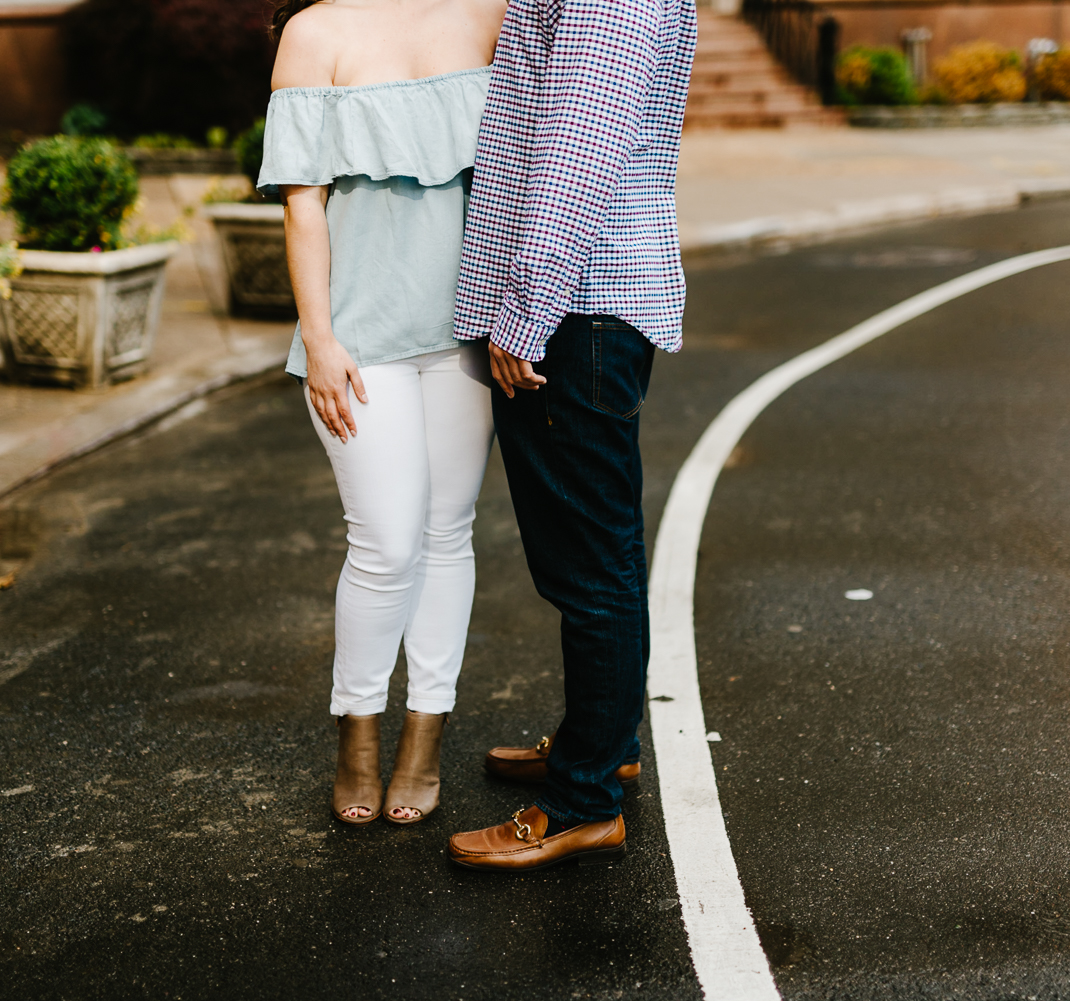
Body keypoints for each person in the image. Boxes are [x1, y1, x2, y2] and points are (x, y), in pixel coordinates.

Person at [444, 0, 697, 871]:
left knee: (591, 568)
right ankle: (603, 743)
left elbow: (581, 142)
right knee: (597, 556)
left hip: (575, 311)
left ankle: (584, 800)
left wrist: (525, 308)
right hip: (581, 306)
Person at [260, 0, 508, 826]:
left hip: (467, 330)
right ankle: (357, 735)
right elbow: (304, 206)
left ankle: (424, 735)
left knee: (446, 534)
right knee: (384, 542)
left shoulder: (490, 14)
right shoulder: (314, 33)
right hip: (360, 340)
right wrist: (320, 337)